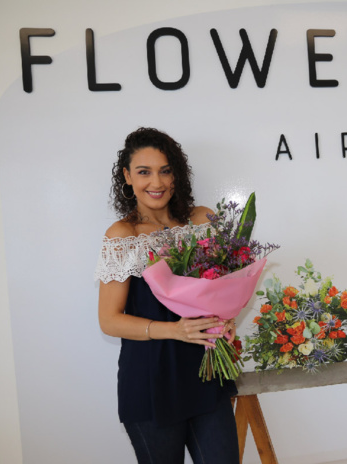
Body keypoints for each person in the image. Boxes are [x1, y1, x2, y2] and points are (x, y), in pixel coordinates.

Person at [95, 127, 240, 464]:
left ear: (177, 175)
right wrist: (175, 330)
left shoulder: (202, 220)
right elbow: (109, 320)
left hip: (206, 374)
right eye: (144, 172)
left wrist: (226, 316)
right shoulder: (123, 235)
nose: (155, 182)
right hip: (149, 382)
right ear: (127, 177)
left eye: (165, 170)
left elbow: (223, 287)